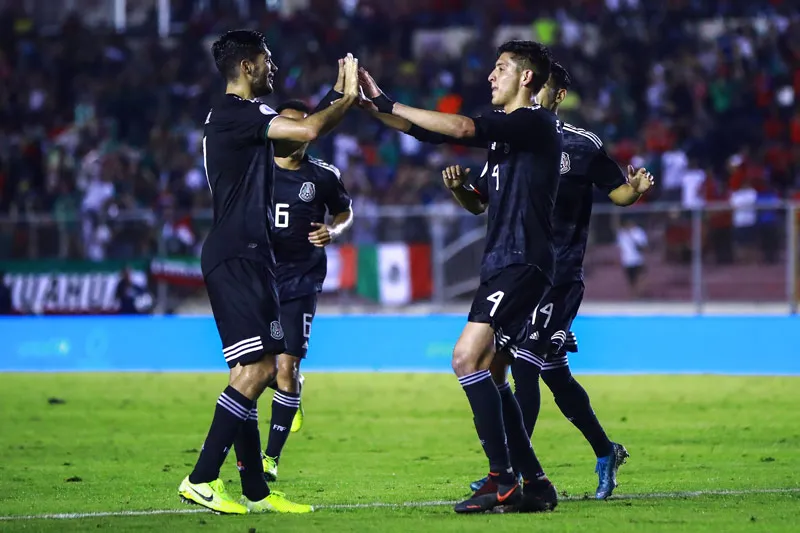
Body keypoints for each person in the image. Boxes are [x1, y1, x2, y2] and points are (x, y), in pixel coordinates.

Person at [360, 41, 562, 514]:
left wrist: (391, 104)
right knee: (491, 369)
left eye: (501, 68)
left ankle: (501, 478)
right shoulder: (507, 139)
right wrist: (373, 107)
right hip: (504, 261)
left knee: (465, 357)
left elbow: (460, 126)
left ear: (527, 78)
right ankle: (534, 482)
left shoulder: (532, 121)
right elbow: (433, 140)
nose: (491, 76)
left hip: (521, 260)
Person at [178, 29, 359, 515]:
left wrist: (337, 96)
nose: (273, 68)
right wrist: (345, 97)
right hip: (236, 253)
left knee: (253, 370)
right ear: (247, 66)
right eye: (267, 60)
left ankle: (256, 489)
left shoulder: (242, 118)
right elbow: (307, 131)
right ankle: (200, 478)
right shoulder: (240, 114)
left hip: (255, 257)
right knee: (256, 370)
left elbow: (298, 132)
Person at [464, 62, 654, 500]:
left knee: (524, 365)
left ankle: (512, 471)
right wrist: (461, 190)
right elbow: (480, 199)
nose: (532, 99)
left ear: (557, 95)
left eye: (542, 91)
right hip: (523, 271)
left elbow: (619, 193)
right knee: (552, 371)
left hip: (561, 275)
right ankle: (605, 451)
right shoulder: (511, 139)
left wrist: (637, 188)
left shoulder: (581, 146)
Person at [259, 99, 354, 481]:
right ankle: (292, 394)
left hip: (300, 279)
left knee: (286, 366)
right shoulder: (256, 172)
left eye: (306, 127)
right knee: (260, 370)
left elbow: (345, 211)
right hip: (259, 278)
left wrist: (334, 230)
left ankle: (270, 459)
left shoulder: (323, 175)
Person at [617, 218, 648, 298]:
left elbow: (644, 246)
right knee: (631, 280)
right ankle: (634, 295)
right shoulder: (621, 233)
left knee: (640, 277)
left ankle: (640, 294)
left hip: (638, 259)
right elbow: (620, 247)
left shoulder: (638, 232)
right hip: (627, 260)